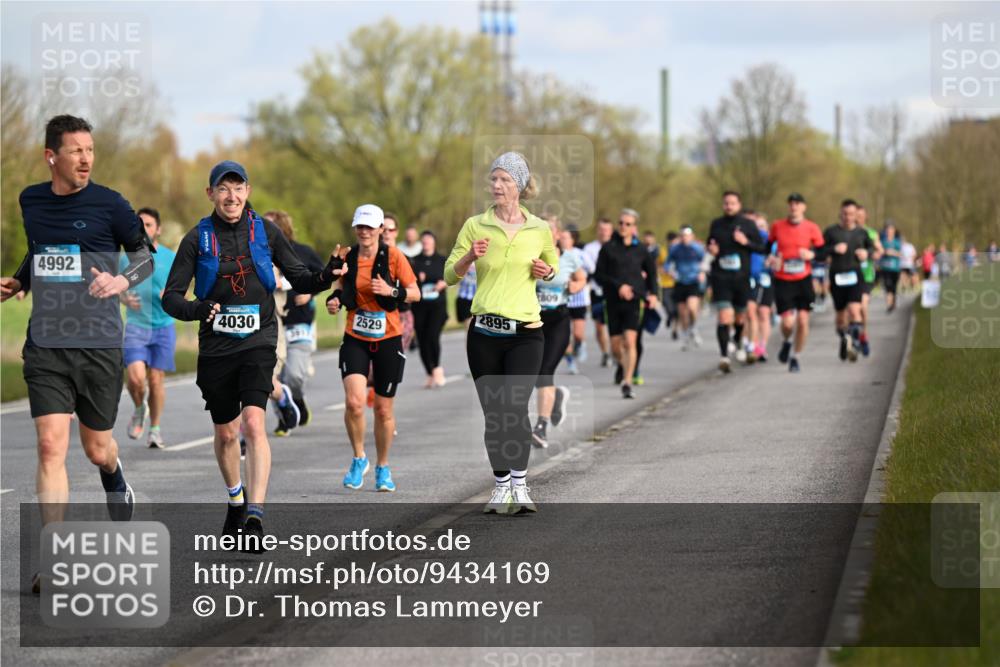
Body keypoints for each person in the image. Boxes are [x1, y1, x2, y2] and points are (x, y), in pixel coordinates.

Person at [1, 115, 151, 593]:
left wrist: (122, 279)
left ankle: (113, 470)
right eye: (76, 150)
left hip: (99, 343)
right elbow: (41, 248)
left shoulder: (111, 205)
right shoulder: (32, 200)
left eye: (90, 150)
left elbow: (144, 255)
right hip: (47, 342)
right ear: (52, 156)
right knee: (50, 446)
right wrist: (21, 279)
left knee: (95, 448)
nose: (86, 158)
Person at [162, 160, 343, 548]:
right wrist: (198, 308)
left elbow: (302, 278)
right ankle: (235, 499)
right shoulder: (197, 238)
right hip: (216, 348)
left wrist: (328, 274)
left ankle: (255, 516)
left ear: (248, 191)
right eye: (223, 189)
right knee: (227, 433)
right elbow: (171, 298)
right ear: (210, 194)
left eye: (238, 188)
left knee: (254, 425)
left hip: (259, 341)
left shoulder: (266, 231)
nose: (232, 196)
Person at [444, 151, 557, 514]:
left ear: (520, 186)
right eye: (493, 179)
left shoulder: (539, 228)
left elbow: (552, 264)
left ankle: (521, 487)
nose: (496, 185)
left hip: (526, 332)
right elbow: (449, 274)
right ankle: (501, 486)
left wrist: (547, 271)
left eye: (504, 180)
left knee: (514, 407)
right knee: (494, 414)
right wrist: (468, 258)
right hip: (484, 334)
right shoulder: (475, 225)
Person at [326, 204, 420, 492]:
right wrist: (334, 301)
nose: (365, 232)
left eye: (370, 227)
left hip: (389, 337)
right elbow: (342, 288)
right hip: (355, 335)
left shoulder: (394, 257)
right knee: (354, 402)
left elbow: (415, 293)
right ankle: (358, 458)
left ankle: (383, 466)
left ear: (381, 229)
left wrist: (392, 291)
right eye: (360, 227)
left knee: (382, 410)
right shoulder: (348, 256)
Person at [120, 207, 177, 448]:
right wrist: (123, 298)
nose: (144, 229)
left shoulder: (169, 256)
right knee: (135, 379)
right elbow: (113, 286)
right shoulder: (125, 258)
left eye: (149, 224)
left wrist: (172, 293)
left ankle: (154, 429)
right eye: (140, 224)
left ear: (158, 229)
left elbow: (182, 285)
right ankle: (138, 407)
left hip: (163, 325)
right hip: (136, 324)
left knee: (155, 380)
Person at [267, 210, 324, 429]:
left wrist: (310, 292)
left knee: (294, 375)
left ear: (283, 228)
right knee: (273, 375)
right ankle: (284, 417)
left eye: (271, 225)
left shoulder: (302, 252)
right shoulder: (258, 253)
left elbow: (321, 277)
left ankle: (296, 397)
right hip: (272, 322)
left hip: (299, 322)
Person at [594, 208, 659, 399]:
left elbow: (652, 274)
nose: (623, 226)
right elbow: (599, 275)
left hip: (634, 300)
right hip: (613, 301)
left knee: (630, 341)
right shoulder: (608, 248)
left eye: (627, 224)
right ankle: (622, 366)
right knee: (615, 346)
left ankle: (627, 381)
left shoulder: (641, 250)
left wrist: (653, 293)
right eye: (621, 223)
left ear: (634, 227)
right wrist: (619, 286)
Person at [532, 222, 587, 448]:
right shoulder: (531, 257)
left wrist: (576, 286)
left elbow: (581, 278)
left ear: (556, 235)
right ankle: (557, 398)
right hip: (534, 321)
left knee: (545, 371)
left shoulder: (569, 257)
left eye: (549, 231)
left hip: (559, 320)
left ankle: (541, 427)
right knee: (535, 372)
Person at [705, 191, 766, 373]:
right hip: (721, 277)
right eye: (726, 203)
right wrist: (712, 249)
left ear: (738, 205)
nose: (729, 206)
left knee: (740, 317)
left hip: (741, 278)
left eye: (732, 203)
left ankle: (739, 342)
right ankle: (724, 356)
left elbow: (761, 248)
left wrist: (745, 241)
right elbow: (710, 243)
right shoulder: (716, 224)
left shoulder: (748, 225)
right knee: (724, 317)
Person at [768, 193, 825, 373]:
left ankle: (796, 357)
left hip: (804, 280)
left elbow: (823, 252)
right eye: (791, 204)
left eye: (797, 204)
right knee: (787, 324)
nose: (794, 207)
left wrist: (812, 255)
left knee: (803, 320)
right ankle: (787, 342)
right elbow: (766, 247)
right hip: (783, 280)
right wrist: (771, 258)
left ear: (804, 207)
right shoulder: (777, 226)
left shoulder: (812, 228)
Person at [823, 199, 874, 362]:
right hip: (837, 277)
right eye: (845, 214)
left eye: (851, 214)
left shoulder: (861, 233)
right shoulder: (831, 232)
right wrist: (833, 249)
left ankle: (855, 342)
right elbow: (819, 251)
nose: (848, 217)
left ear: (856, 215)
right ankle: (845, 339)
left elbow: (872, 249)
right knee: (840, 317)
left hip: (855, 277)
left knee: (854, 310)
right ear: (840, 214)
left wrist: (867, 253)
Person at [410, 230, 449, 388]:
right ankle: (429, 372)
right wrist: (418, 280)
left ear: (434, 242)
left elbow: (451, 276)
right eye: (424, 240)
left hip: (437, 305)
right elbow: (409, 282)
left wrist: (443, 283)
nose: (426, 243)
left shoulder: (442, 260)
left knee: (432, 336)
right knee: (422, 340)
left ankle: (437, 368)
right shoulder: (415, 261)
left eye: (429, 240)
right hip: (419, 306)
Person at [666, 226, 705, 350]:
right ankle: (686, 336)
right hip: (680, 281)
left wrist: (702, 272)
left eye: (687, 236)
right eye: (682, 236)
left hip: (693, 280)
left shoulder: (697, 248)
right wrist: (671, 272)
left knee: (692, 308)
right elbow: (668, 263)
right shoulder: (675, 249)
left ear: (692, 236)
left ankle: (694, 328)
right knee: (682, 312)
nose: (685, 238)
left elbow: (705, 260)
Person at [381, 214, 416, 350]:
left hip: (400, 316)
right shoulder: (369, 258)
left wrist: (392, 292)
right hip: (376, 315)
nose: (387, 233)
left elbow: (414, 294)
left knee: (391, 365)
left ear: (396, 232)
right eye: (384, 229)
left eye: (391, 230)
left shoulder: (406, 260)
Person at [582, 218, 613, 367]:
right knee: (600, 326)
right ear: (597, 231)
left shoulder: (616, 247)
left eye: (607, 230)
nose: (604, 232)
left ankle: (615, 349)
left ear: (611, 231)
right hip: (597, 291)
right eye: (601, 229)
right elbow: (591, 269)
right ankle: (605, 353)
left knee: (614, 324)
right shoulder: (589, 248)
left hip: (613, 291)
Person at [856, 205, 882, 357]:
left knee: (863, 307)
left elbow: (880, 250)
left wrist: (874, 254)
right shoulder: (848, 233)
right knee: (850, 310)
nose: (858, 218)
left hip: (866, 275)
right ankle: (853, 334)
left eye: (861, 215)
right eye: (856, 215)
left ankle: (863, 335)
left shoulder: (871, 233)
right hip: (849, 275)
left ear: (866, 217)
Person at [749, 213, 776, 362]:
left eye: (762, 227)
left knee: (764, 313)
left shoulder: (773, 244)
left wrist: (773, 263)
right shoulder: (749, 243)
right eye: (756, 227)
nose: (760, 230)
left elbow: (780, 261)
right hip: (750, 281)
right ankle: (750, 344)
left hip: (767, 280)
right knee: (751, 314)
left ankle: (762, 346)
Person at [563, 224, 589, 374]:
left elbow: (592, 269)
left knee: (578, 333)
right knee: (565, 336)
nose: (563, 240)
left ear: (573, 239)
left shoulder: (581, 254)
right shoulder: (556, 254)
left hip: (579, 300)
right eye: (562, 237)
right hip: (563, 300)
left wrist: (582, 280)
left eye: (566, 238)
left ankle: (580, 344)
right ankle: (571, 361)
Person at [658, 231, 680, 340]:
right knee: (666, 304)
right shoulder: (662, 251)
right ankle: (669, 316)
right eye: (671, 242)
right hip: (665, 283)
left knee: (677, 309)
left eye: (675, 242)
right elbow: (657, 265)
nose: (673, 244)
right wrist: (662, 270)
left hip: (678, 283)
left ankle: (675, 330)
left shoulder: (681, 250)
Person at [879, 223, 902, 313]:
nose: (889, 232)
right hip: (885, 268)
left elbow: (901, 254)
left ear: (894, 231)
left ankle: (893, 302)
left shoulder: (897, 242)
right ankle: (889, 305)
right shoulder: (883, 241)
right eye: (887, 230)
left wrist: (892, 252)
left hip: (895, 268)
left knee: (893, 287)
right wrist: (884, 252)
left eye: (891, 230)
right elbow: (879, 252)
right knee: (887, 286)